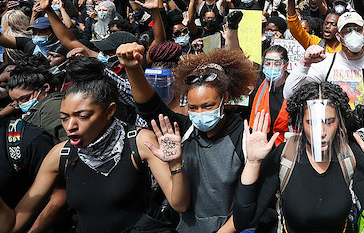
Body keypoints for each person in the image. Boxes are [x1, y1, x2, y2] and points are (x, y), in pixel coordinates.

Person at [0, 59, 190, 233]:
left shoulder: (139, 141)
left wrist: (175, 164)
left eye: (82, 116)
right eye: (64, 118)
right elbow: (13, 223)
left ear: (110, 111)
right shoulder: (60, 154)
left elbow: (179, 204)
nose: (70, 126)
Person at [118, 44, 257, 232]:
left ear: (224, 98)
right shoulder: (183, 130)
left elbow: (249, 203)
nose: (200, 113)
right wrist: (133, 69)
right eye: (193, 107)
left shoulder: (244, 137)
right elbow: (151, 108)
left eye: (208, 106)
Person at [233, 81, 364, 232]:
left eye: (329, 122)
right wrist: (253, 163)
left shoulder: (349, 154)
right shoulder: (285, 155)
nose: (321, 132)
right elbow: (242, 221)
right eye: (312, 122)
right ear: (300, 122)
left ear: (339, 121)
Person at [283, 12, 364, 108]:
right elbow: (289, 93)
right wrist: (304, 64)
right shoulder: (327, 63)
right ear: (339, 37)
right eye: (347, 31)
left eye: (357, 30)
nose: (353, 34)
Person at [249, 45, 291, 147]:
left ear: (285, 65)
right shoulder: (259, 82)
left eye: (276, 64)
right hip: (260, 142)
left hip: (285, 146)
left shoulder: (293, 86)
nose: (271, 67)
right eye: (267, 63)